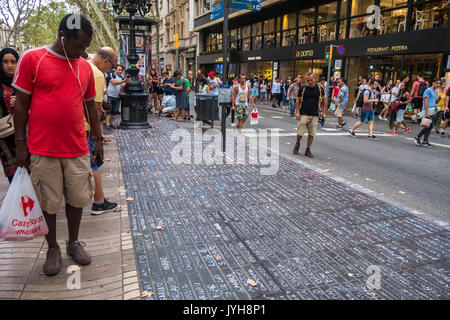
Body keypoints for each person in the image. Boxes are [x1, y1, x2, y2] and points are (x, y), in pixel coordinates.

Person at [13, 14, 101, 276]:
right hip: (42, 148)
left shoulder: (83, 67)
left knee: (77, 198)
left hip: (77, 147)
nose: (83, 51)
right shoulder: (33, 59)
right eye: (79, 45)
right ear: (63, 37)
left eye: (86, 46)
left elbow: (90, 106)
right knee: (47, 202)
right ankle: (52, 247)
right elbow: (20, 105)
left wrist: (97, 138)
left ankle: (73, 242)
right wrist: (20, 143)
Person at [88, 47, 119, 215]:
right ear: (106, 61)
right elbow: (96, 107)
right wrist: (98, 137)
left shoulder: (83, 66)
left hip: (75, 125)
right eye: (112, 66)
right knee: (93, 163)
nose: (111, 70)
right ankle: (99, 202)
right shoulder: (98, 74)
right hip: (85, 127)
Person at [293, 72, 326, 158]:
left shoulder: (320, 89)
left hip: (315, 114)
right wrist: (297, 112)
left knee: (312, 133)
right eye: (308, 80)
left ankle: (308, 149)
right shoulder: (303, 88)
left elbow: (324, 101)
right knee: (300, 131)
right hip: (304, 113)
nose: (310, 82)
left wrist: (324, 112)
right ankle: (297, 144)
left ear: (315, 79)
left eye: (311, 80)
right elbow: (297, 101)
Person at [0, 48, 19, 183]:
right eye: (5, 62)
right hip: (4, 137)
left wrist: (22, 102)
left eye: (13, 61)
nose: (10, 65)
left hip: (27, 134)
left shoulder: (25, 81)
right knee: (14, 179)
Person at [413, 79, 440, 147]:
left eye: (439, 83)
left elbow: (435, 102)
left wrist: (439, 99)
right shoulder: (428, 90)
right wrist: (427, 113)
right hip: (427, 111)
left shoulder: (435, 91)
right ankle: (417, 137)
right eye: (437, 83)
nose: (438, 85)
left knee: (430, 126)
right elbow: (426, 102)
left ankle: (425, 141)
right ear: (433, 83)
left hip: (432, 111)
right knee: (429, 126)